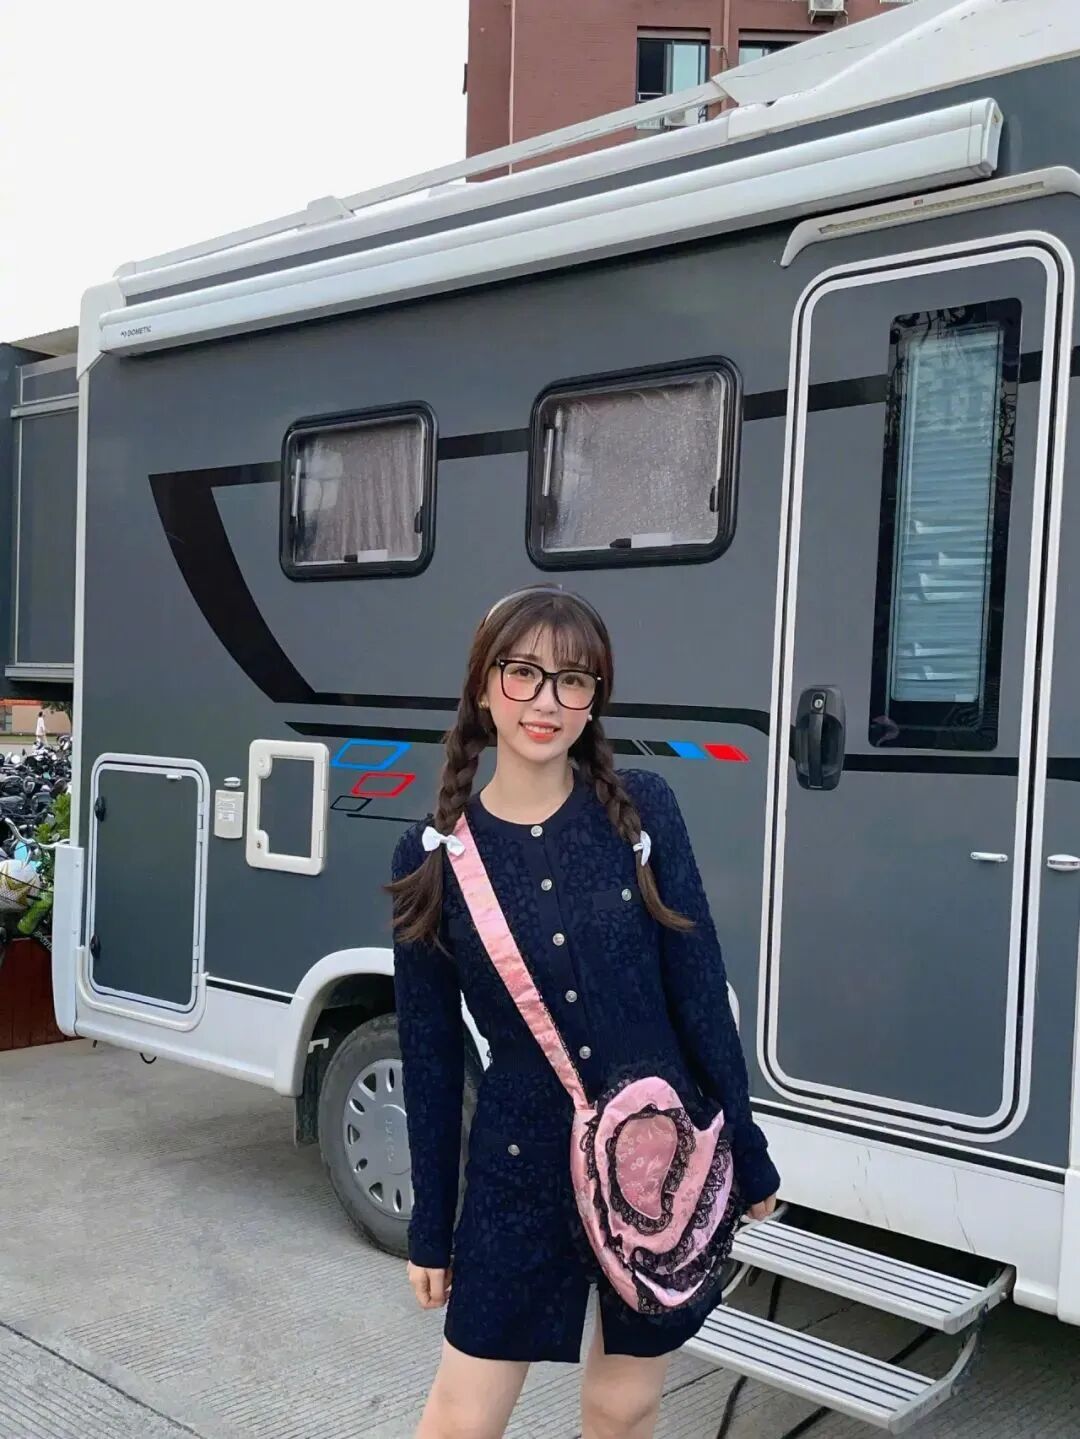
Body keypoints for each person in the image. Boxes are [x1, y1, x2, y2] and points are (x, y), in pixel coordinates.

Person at [390, 587, 779, 1439]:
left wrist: (746, 1149)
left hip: (656, 1163)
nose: (546, 700)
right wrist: (432, 1225)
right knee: (460, 1418)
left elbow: (698, 988)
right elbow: (430, 1057)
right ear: (483, 685)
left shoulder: (642, 810)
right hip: (519, 1167)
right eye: (523, 672)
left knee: (623, 1407)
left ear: (594, 697)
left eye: (572, 680)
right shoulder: (433, 855)